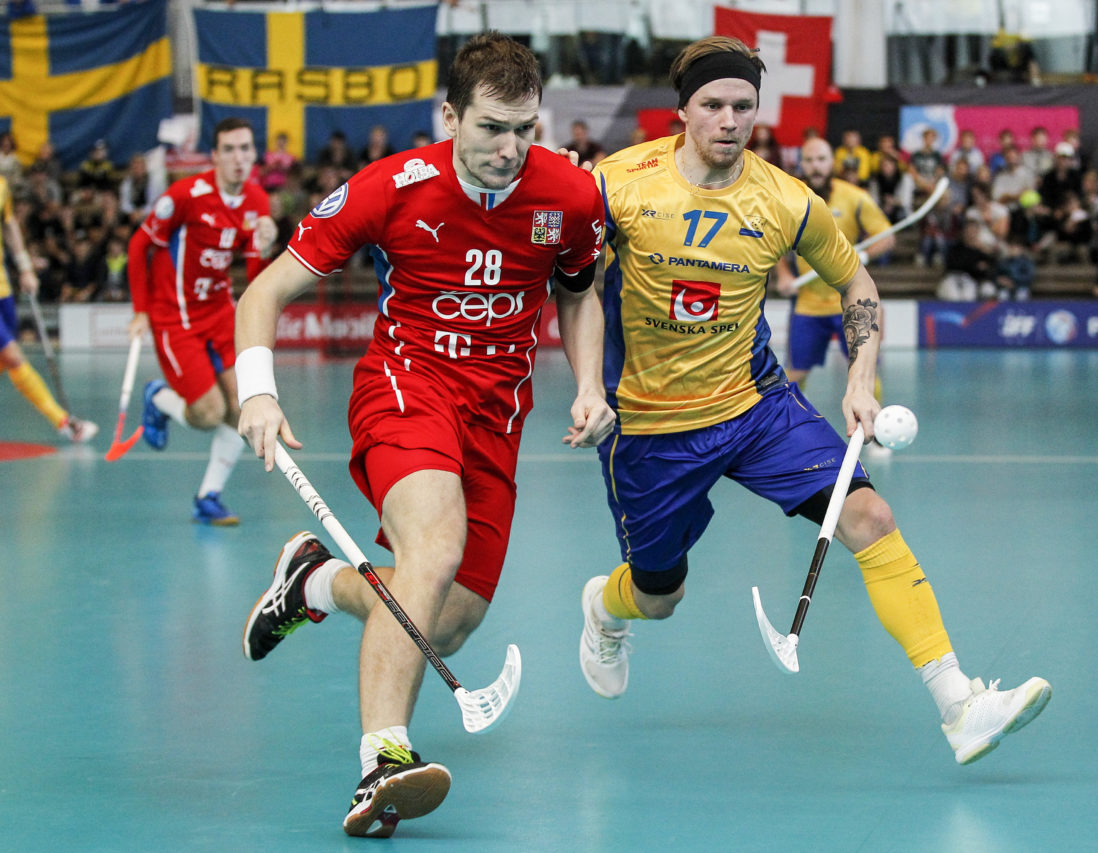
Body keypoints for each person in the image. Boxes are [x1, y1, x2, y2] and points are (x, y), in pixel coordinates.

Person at [578, 35, 1051, 769]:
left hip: (757, 405)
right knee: (659, 591)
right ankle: (606, 609)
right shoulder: (618, 183)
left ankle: (960, 705)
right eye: (713, 105)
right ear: (681, 112)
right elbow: (571, 283)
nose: (729, 120)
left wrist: (860, 378)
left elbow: (856, 282)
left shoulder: (785, 198)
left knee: (870, 514)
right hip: (650, 425)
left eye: (743, 105)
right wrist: (585, 387)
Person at [234, 32, 610, 838]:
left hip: (497, 418)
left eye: (526, 129)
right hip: (406, 389)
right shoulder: (390, 188)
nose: (511, 149)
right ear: (450, 116)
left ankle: (313, 581)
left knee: (448, 615)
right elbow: (264, 292)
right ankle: (382, 760)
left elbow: (579, 292)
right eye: (491, 128)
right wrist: (257, 394)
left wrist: (587, 383)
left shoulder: (570, 197)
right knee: (432, 550)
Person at [127, 117, 275, 525]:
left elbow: (254, 272)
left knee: (240, 408)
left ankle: (208, 496)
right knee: (208, 413)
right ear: (214, 156)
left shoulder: (257, 202)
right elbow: (141, 244)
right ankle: (158, 398)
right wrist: (141, 310)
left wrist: (262, 242)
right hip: (175, 317)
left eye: (245, 149)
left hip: (219, 312)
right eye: (229, 149)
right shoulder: (187, 195)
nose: (238, 158)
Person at [773, 137, 894, 394]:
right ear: (801, 164)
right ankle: (790, 430)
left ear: (832, 163)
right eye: (809, 160)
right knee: (794, 375)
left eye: (821, 159)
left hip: (853, 300)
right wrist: (783, 275)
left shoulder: (855, 197)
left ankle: (870, 431)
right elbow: (776, 245)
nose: (815, 166)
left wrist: (867, 256)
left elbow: (887, 237)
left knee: (865, 373)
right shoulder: (789, 200)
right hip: (808, 304)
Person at [1, 173, 97, 442]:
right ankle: (65, 423)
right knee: (13, 356)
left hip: (3, 288)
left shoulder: (1, 185)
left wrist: (25, 267)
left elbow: (8, 225)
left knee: (6, 362)